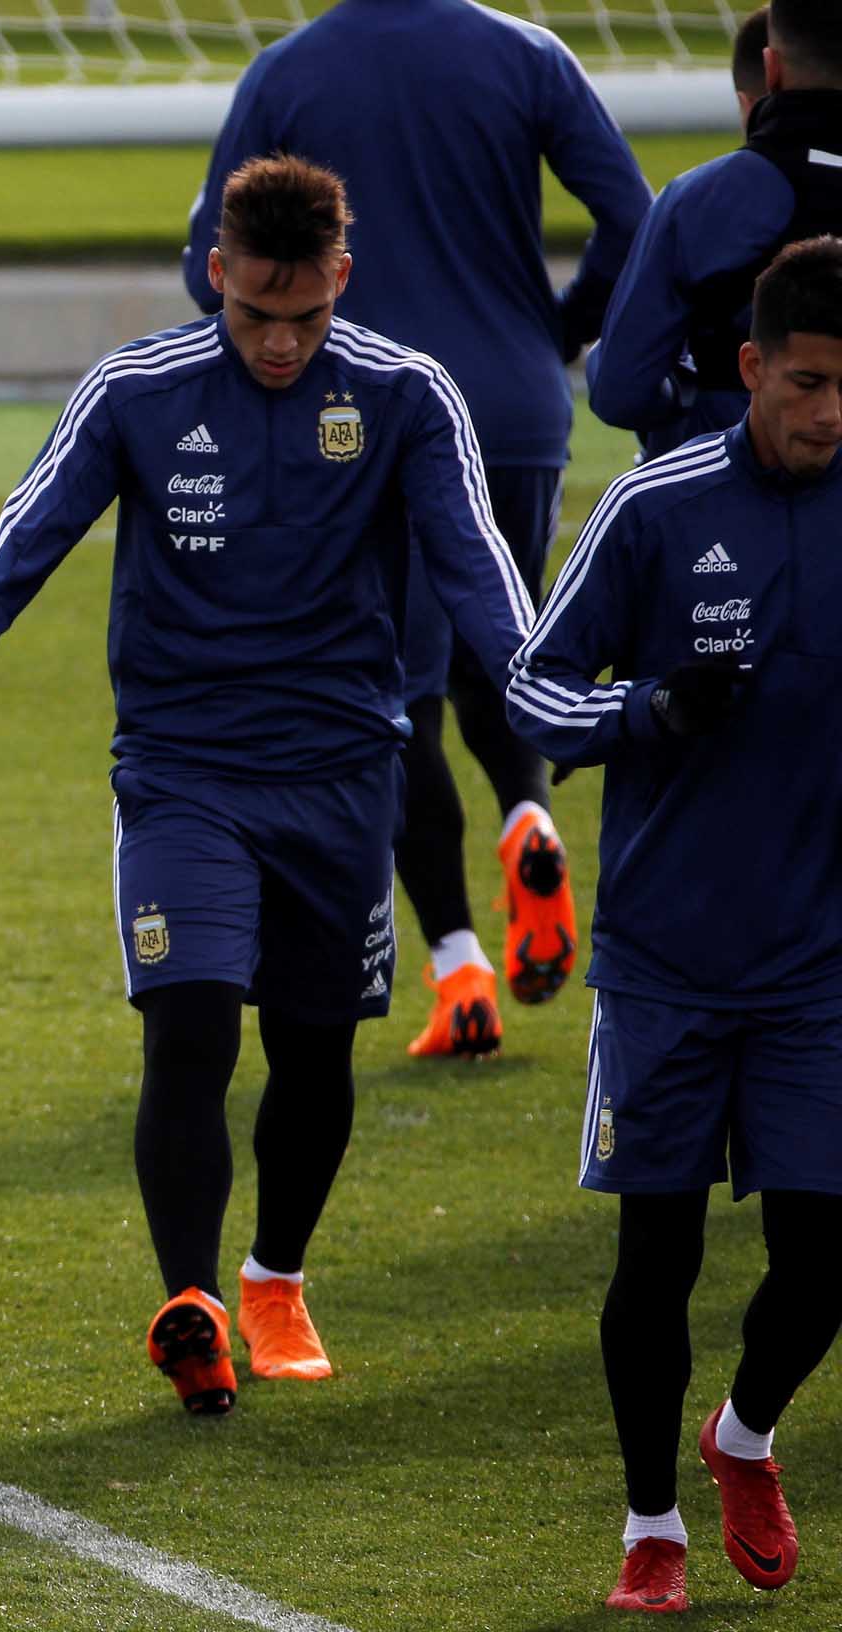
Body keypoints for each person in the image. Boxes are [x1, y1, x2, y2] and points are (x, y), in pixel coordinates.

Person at [0, 157, 534, 1415]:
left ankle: (275, 1277)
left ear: (343, 280)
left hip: (340, 776)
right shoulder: (137, 392)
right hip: (183, 774)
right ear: (215, 275)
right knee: (193, 1023)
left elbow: (479, 574)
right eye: (254, 314)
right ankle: (196, 1304)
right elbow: (26, 535)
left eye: (305, 316)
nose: (279, 342)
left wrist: (549, 702)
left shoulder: (404, 394)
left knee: (315, 1053)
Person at [182, 0, 652, 1059]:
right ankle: (530, 821)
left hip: (364, 420)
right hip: (517, 406)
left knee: (393, 700)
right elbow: (637, 219)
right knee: (503, 649)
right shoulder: (529, 54)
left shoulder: (289, 70)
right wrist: (556, 332)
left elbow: (210, 264)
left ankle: (459, 968)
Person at [506, 235, 842, 1617]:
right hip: (664, 964)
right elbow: (533, 689)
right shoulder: (656, 506)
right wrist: (643, 712)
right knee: (661, 1255)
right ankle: (652, 1524)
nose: (832, 412)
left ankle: (744, 1437)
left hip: (821, 962)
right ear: (754, 369)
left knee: (825, 1253)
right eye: (811, 382)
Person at [589, 0, 842, 463]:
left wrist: (688, 393)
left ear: (771, 68)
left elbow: (619, 391)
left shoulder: (701, 200)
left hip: (728, 495)